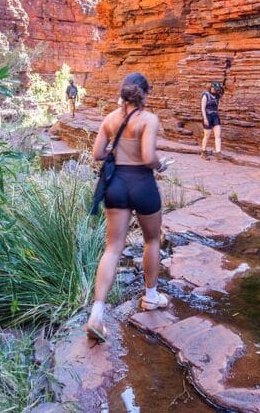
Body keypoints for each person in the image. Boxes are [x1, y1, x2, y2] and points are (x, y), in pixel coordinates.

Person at [86, 72, 174, 341]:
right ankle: (151, 296)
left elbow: (97, 154)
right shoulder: (148, 119)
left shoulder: (110, 119)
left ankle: (97, 314)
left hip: (116, 185)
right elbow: (148, 156)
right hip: (142, 184)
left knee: (113, 247)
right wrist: (161, 165)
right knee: (152, 240)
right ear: (144, 94)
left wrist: (116, 148)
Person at [200, 81, 223, 160]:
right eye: (215, 88)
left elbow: (222, 93)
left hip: (215, 116)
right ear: (211, 87)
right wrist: (205, 118)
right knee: (207, 136)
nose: (216, 90)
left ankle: (218, 152)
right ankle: (203, 152)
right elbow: (203, 108)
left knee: (218, 135)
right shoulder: (206, 95)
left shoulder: (217, 95)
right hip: (208, 116)